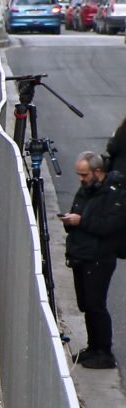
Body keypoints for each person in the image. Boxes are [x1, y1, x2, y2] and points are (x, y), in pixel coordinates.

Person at [61, 151, 126, 368]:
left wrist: (81, 221)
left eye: (84, 174)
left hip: (99, 257)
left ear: (97, 172)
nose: (81, 179)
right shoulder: (86, 190)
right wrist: (70, 221)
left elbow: (109, 226)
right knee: (86, 304)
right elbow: (77, 212)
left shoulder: (114, 194)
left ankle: (104, 351)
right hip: (81, 254)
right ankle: (93, 347)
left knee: (96, 305)